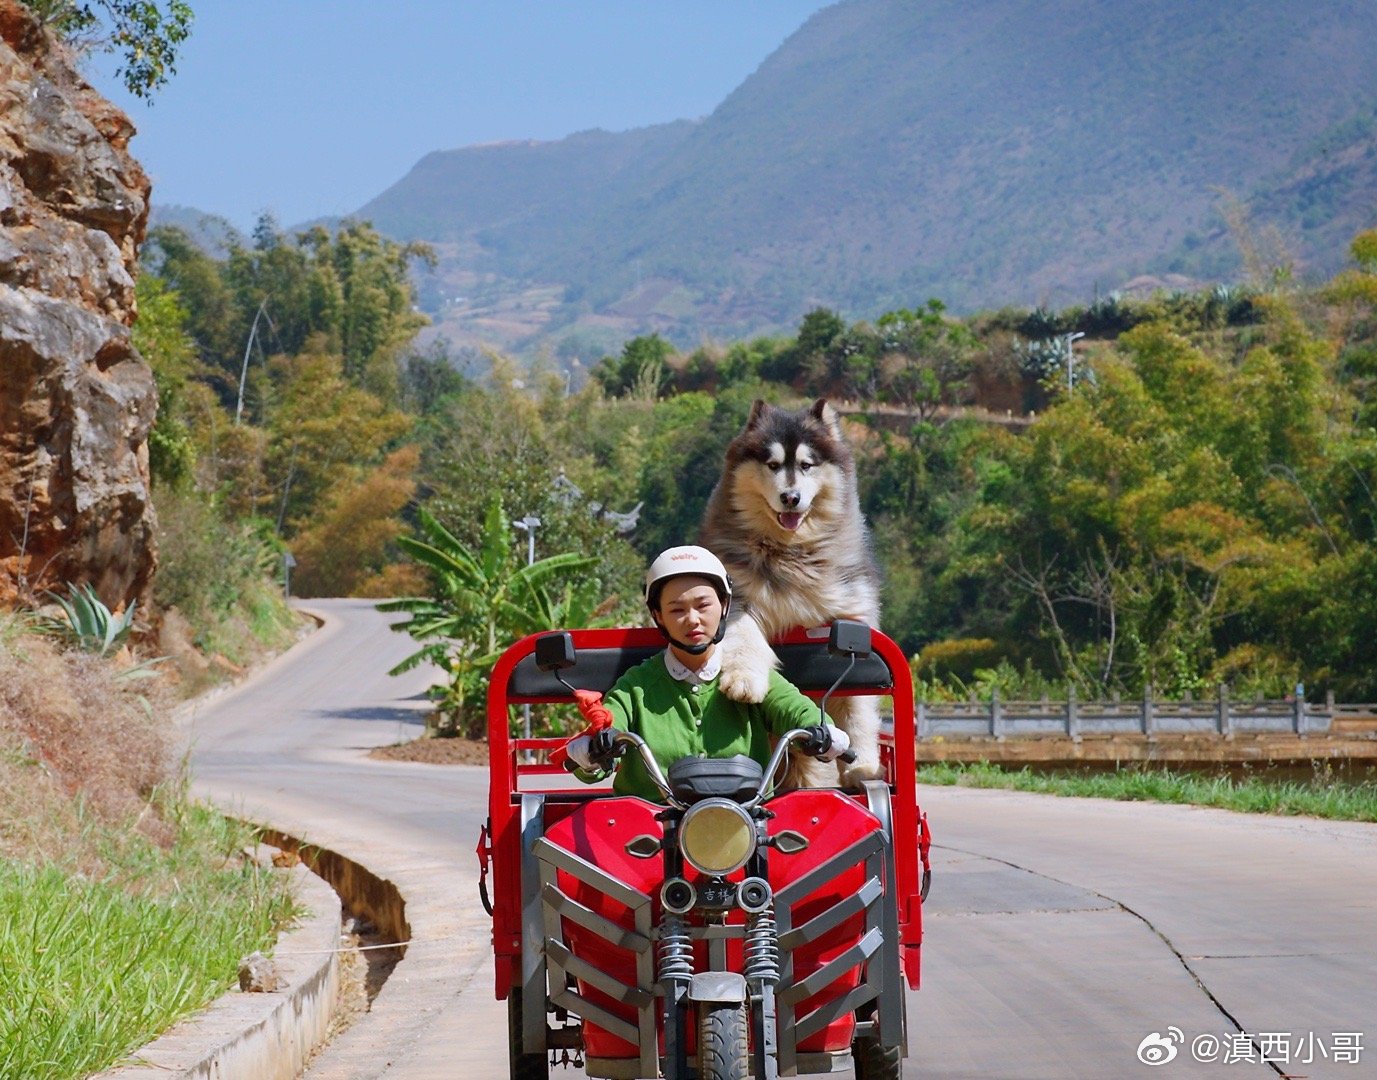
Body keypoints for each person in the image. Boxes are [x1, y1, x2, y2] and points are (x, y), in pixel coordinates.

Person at [566, 545, 849, 800]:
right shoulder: (636, 687)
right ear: (658, 616)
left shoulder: (747, 674)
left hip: (745, 824)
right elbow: (610, 722)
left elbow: (793, 708)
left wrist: (820, 730)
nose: (693, 619)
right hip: (650, 836)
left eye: (703, 606)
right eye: (677, 609)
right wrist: (596, 747)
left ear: (725, 606)